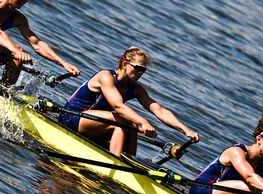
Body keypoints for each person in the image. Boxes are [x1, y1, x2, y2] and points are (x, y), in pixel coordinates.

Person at [59, 48, 200, 157]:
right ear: (125, 64)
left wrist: (185, 129)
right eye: (138, 68)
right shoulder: (105, 77)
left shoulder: (136, 89)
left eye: (143, 70)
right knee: (124, 120)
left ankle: (128, 160)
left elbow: (159, 110)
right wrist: (144, 122)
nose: (140, 73)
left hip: (93, 124)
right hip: (71, 117)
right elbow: (118, 106)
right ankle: (115, 160)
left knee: (131, 124)